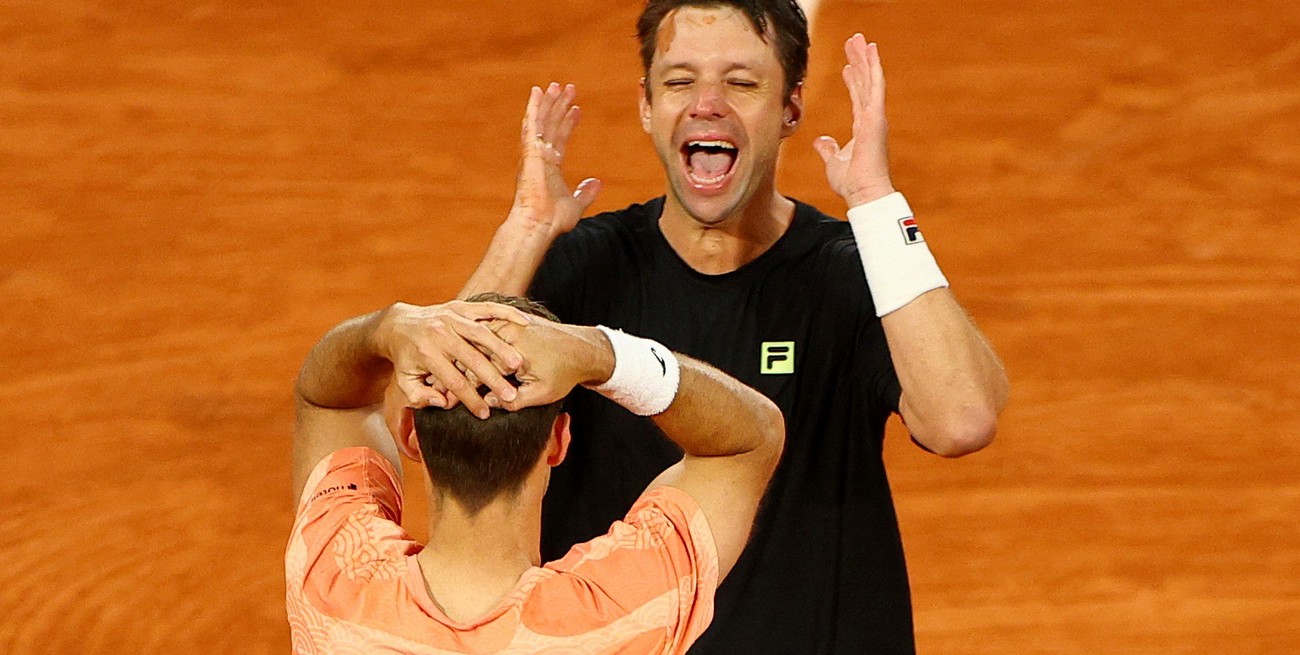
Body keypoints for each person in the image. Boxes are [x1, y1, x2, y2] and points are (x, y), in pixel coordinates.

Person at [455, 1, 1010, 653]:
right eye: (680, 81)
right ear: (646, 106)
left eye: (742, 83)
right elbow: (443, 418)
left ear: (791, 109)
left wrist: (877, 203)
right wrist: (523, 233)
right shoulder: (581, 269)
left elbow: (962, 419)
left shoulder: (851, 273)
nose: (707, 104)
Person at [286, 294, 784, 654]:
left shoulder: (333, 583)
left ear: (410, 432)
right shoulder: (623, 610)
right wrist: (600, 355)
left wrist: (384, 329)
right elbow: (747, 440)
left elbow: (326, 396)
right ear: (558, 440)